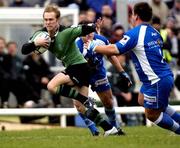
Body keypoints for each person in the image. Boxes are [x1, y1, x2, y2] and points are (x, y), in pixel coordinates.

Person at [21, 4, 122, 136]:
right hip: (74, 68)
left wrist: (95, 26)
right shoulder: (41, 35)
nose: (48, 22)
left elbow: (83, 28)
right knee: (81, 108)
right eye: (46, 19)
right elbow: (24, 49)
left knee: (51, 86)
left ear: (57, 20)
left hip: (79, 67)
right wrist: (36, 43)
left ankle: (86, 101)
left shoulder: (66, 32)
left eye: (51, 19)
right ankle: (109, 129)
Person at [87, 2, 180, 135]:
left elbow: (115, 49)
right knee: (142, 99)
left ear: (135, 16)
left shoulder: (135, 33)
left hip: (156, 80)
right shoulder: (155, 31)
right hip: (160, 77)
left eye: (131, 15)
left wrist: (92, 46)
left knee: (152, 115)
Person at [75, 21, 131, 135]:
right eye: (86, 31)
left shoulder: (101, 40)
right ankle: (94, 131)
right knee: (79, 104)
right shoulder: (75, 44)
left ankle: (115, 128)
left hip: (98, 73)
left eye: (91, 31)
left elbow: (110, 55)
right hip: (80, 74)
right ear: (79, 33)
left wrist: (122, 72)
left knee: (108, 102)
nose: (89, 34)